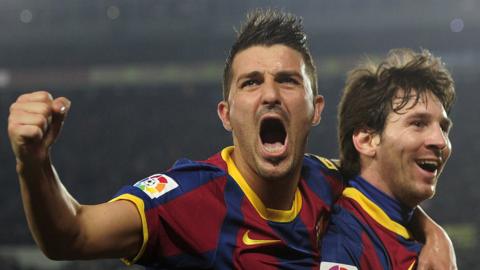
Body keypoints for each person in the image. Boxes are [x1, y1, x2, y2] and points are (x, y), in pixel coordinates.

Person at [8, 10, 455, 270]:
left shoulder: (332, 182)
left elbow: (389, 194)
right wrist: (34, 163)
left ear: (315, 109)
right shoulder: (187, 200)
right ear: (227, 114)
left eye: (286, 81)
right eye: (250, 83)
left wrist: (435, 234)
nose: (270, 95)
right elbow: (72, 235)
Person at [320, 48, 456, 270]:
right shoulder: (345, 238)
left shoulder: (410, 233)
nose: (441, 141)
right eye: (418, 123)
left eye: (443, 128)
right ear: (367, 140)